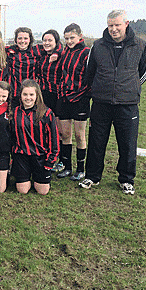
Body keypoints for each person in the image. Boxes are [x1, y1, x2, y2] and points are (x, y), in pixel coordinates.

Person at [80, 9, 146, 195]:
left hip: (127, 104)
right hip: (101, 103)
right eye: (110, 25)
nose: (113, 29)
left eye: (117, 25)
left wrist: (127, 87)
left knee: (127, 144)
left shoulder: (140, 45)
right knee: (96, 142)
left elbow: (143, 73)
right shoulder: (98, 46)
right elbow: (90, 73)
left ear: (126, 24)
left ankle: (126, 180)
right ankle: (92, 176)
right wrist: (102, 88)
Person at [54, 24, 90, 181]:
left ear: (80, 36)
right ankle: (67, 167)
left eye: (72, 38)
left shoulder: (87, 53)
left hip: (80, 99)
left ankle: (80, 169)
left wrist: (83, 94)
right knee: (65, 134)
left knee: (79, 135)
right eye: (66, 38)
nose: (69, 41)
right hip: (64, 98)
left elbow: (90, 77)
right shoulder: (65, 52)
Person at [10, 79, 60, 195]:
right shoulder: (15, 112)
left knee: (43, 191)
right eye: (25, 94)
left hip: (40, 157)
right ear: (20, 95)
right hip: (22, 156)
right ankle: (24, 176)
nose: (28, 98)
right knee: (22, 190)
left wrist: (50, 161)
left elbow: (54, 139)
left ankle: (38, 177)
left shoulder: (46, 113)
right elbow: (12, 137)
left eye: (31, 95)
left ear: (37, 95)